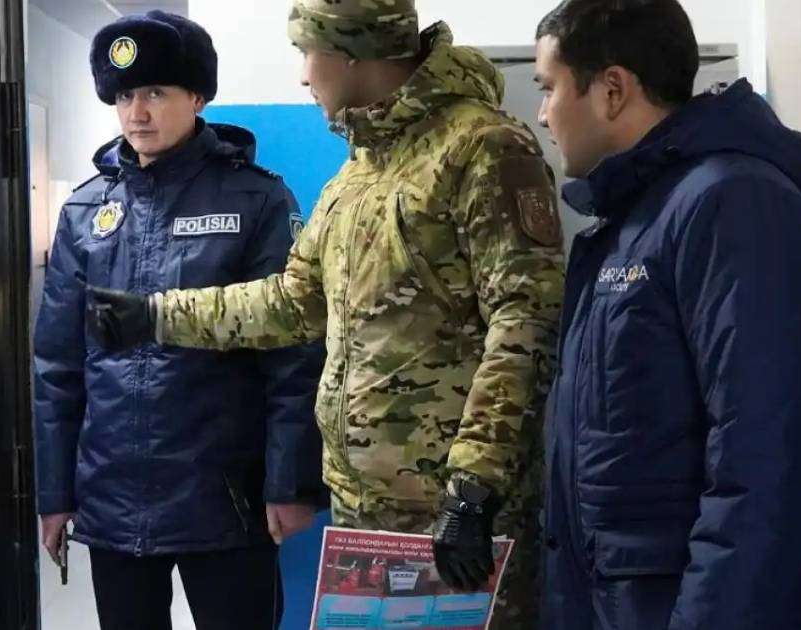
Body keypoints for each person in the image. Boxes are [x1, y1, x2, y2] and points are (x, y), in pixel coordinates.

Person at [85, 1, 567, 626]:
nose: (304, 77)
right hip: (366, 517)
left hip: (456, 517)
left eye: (307, 56)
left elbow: (525, 322)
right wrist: (156, 315)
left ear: (347, 54)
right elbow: (290, 301)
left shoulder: (481, 148)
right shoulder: (358, 175)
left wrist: (475, 488)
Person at [531, 1, 801, 628]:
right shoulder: (631, 217)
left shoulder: (732, 203)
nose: (542, 114)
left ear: (612, 90)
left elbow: (760, 458)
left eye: (550, 88)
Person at [32, 11, 326, 630]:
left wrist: (290, 483)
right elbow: (57, 366)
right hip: (112, 499)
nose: (137, 111)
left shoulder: (256, 200)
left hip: (225, 498)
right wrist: (54, 494)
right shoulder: (87, 209)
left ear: (196, 96)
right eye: (124, 96)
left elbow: (294, 354)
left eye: (155, 93)